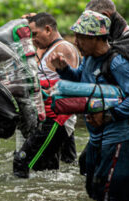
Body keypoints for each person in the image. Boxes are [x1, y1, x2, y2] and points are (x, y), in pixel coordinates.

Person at [49, 10, 129, 201]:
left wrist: (110, 115)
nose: (75, 42)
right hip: (98, 137)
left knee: (107, 195)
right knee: (94, 189)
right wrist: (64, 70)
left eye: (80, 37)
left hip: (119, 138)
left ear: (95, 38)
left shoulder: (117, 63)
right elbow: (82, 80)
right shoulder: (88, 58)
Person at [13, 12, 80, 178]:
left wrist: (45, 92)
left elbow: (73, 85)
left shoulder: (63, 48)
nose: (33, 39)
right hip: (46, 117)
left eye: (35, 34)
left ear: (48, 29)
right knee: (48, 171)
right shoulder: (44, 49)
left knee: (23, 162)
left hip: (57, 118)